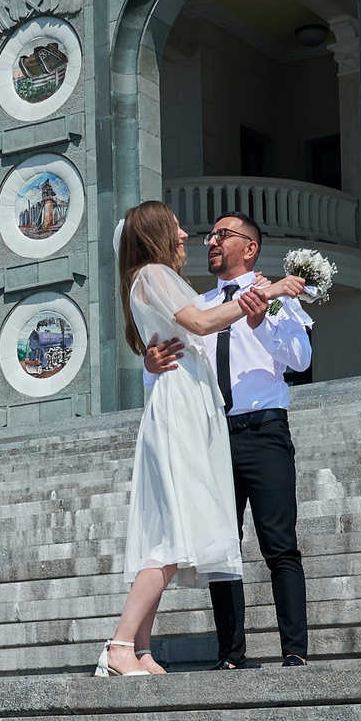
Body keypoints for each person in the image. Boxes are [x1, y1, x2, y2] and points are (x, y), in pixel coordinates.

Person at [101, 201, 305, 677]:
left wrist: (266, 305)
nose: (189, 237)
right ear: (154, 232)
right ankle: (121, 644)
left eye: (217, 234)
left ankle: (141, 649)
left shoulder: (160, 281)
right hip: (187, 412)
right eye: (178, 227)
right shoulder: (156, 274)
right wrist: (269, 289)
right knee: (176, 529)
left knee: (180, 530)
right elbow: (200, 324)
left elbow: (294, 358)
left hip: (241, 420)